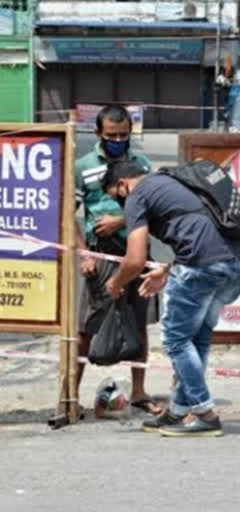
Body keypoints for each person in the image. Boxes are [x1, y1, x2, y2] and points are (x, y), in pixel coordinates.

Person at [102, 161, 240, 437]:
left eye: (115, 196)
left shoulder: (137, 195)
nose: (119, 203)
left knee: (176, 340)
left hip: (202, 267)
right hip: (232, 265)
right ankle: (178, 410)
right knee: (196, 337)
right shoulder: (172, 182)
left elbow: (135, 259)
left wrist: (116, 282)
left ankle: (204, 413)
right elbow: (201, 227)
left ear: (122, 185)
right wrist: (168, 268)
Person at [73, 105, 161, 415]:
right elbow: (66, 215)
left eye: (124, 135)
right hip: (99, 257)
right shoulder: (83, 167)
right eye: (112, 135)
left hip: (137, 255)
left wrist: (120, 221)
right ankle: (70, 393)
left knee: (139, 326)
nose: (118, 140)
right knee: (86, 329)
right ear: (98, 134)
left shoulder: (141, 163)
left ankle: (138, 391)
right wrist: (84, 253)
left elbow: (152, 207)